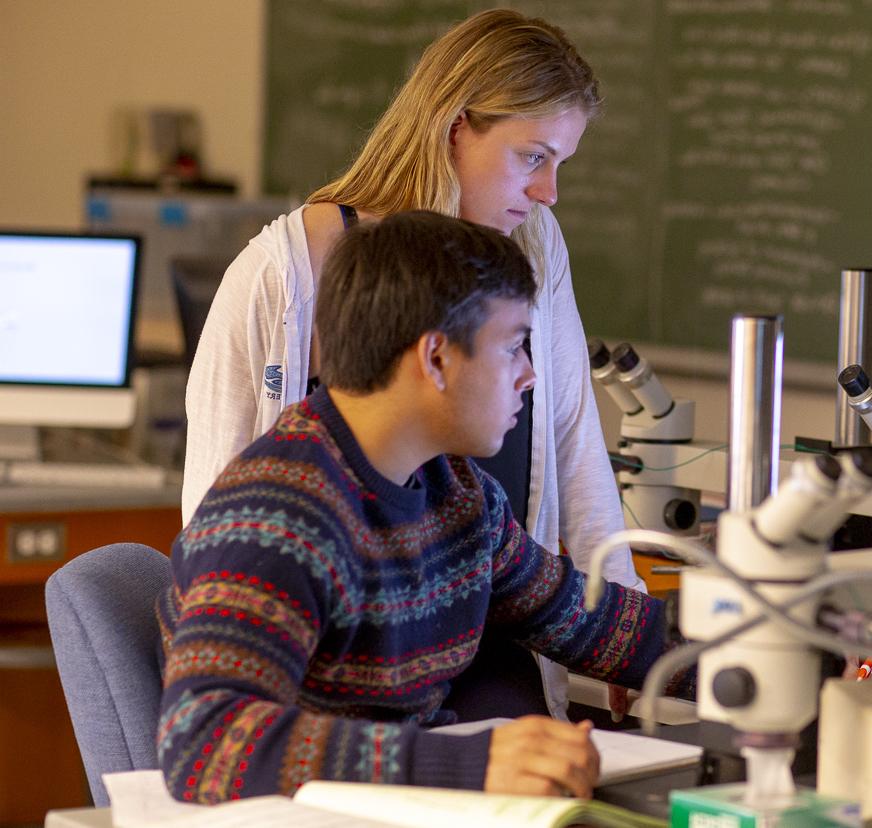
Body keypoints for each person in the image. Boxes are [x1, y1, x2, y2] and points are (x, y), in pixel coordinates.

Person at [183, 9, 639, 719]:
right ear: (456, 126)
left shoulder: (469, 509)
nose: (549, 191)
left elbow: (574, 440)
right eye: (533, 156)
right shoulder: (282, 281)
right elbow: (220, 518)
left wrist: (649, 627)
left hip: (475, 644)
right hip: (332, 685)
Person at [158, 212, 692, 804]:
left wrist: (773, 651)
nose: (530, 375)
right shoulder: (276, 518)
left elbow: (585, 621)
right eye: (514, 346)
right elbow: (205, 742)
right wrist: (468, 762)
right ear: (436, 357)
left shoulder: (458, 494)